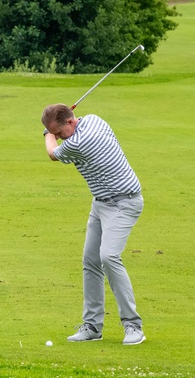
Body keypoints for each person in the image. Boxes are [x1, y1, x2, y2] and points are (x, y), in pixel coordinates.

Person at [41, 103, 146, 345]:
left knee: (109, 257)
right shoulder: (94, 119)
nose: (58, 137)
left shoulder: (79, 143)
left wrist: (47, 134)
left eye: (59, 132)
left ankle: (133, 325)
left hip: (124, 203)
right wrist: (56, 124)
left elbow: (53, 154)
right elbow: (67, 127)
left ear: (70, 122)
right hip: (101, 203)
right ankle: (92, 326)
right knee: (90, 261)